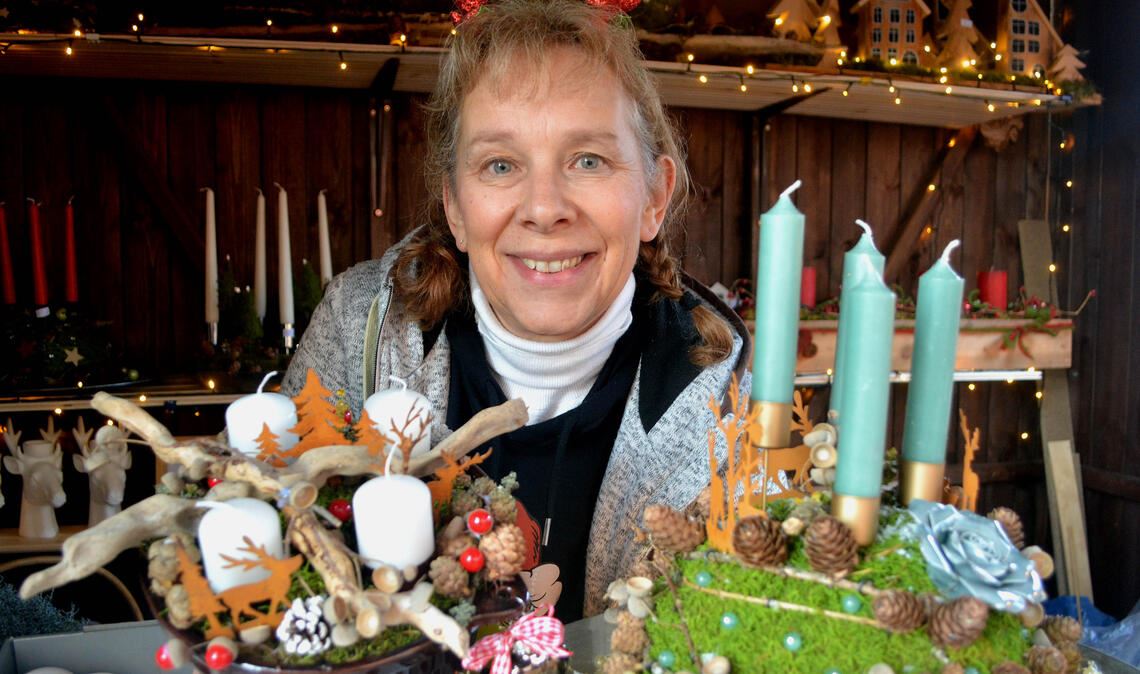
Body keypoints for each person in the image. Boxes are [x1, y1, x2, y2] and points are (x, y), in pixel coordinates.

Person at [283, 0, 750, 620]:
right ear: (455, 208)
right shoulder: (358, 329)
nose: (544, 207)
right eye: (501, 164)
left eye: (588, 160)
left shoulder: (730, 405)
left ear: (653, 198)